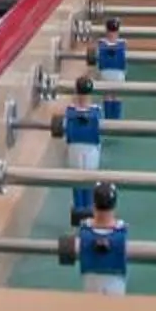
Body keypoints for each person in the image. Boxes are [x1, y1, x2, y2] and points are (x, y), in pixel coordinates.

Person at [62, 77, 106, 226]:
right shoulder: (70, 111)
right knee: (77, 182)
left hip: (89, 149)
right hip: (77, 148)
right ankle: (80, 212)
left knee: (88, 181)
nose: (82, 96)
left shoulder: (96, 111)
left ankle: (87, 212)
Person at [77, 183, 130, 297]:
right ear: (114, 205)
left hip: (90, 282)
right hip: (116, 282)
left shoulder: (84, 229)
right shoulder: (123, 231)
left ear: (94, 205)